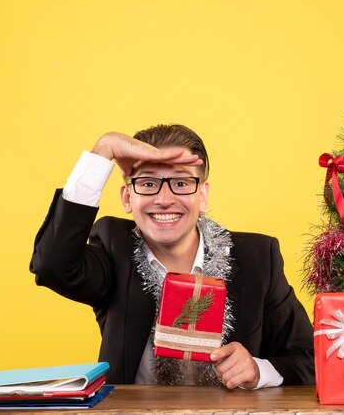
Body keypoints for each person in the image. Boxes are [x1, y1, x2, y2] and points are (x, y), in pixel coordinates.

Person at [30, 124, 314, 389]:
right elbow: (52, 265)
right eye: (148, 183)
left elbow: (309, 360)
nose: (164, 199)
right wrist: (104, 149)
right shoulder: (113, 248)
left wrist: (259, 370)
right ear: (127, 198)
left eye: (180, 183)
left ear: (202, 196)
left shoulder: (258, 258)